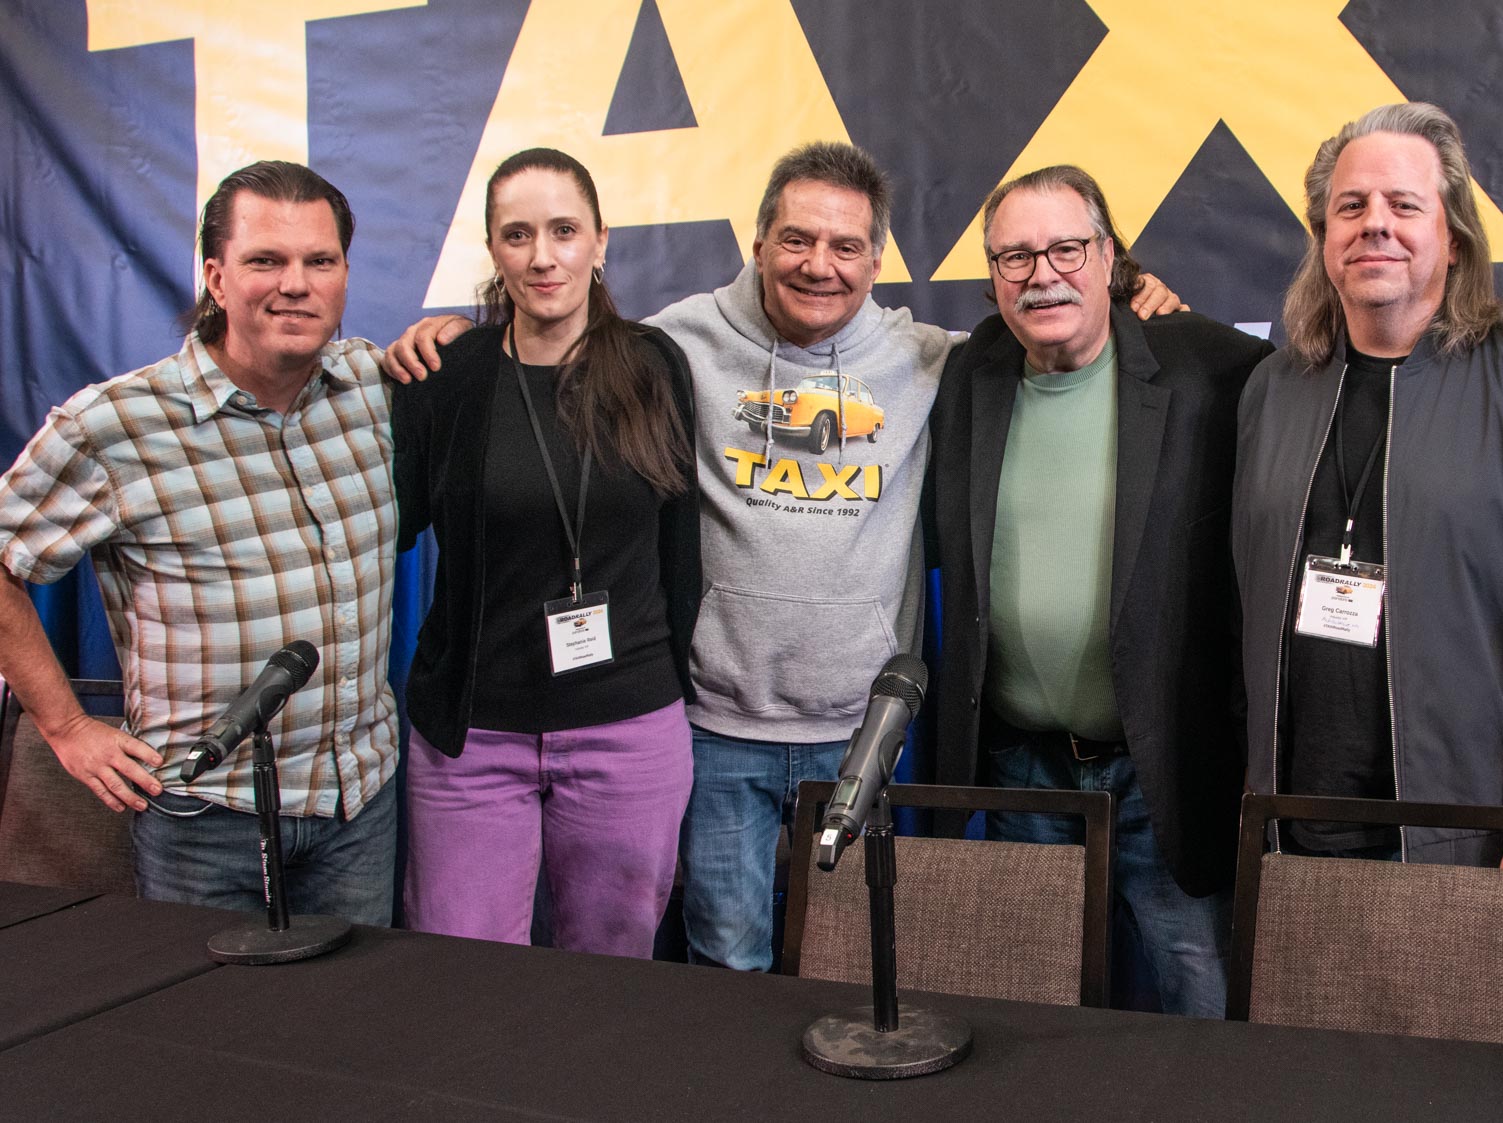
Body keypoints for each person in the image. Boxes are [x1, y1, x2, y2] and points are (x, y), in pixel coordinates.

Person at [384, 142, 1182, 971]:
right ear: (758, 244)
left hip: (860, 734)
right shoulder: (671, 346)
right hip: (719, 731)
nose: (819, 265)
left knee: (847, 971)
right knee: (728, 964)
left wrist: (1135, 296)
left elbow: (1052, 317)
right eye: (797, 239)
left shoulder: (933, 358)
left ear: (877, 260)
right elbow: (552, 341)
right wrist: (455, 338)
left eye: (846, 247)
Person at [1233, 102, 1503, 867]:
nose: (1373, 224)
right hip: (1291, 825)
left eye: (1404, 205)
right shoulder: (1272, 391)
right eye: (1350, 207)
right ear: (1323, 240)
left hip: (1470, 828)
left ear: (1453, 238)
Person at [0, 161, 399, 923]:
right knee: (207, 1034)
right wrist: (65, 725)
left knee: (356, 1031)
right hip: (206, 821)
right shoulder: (113, 425)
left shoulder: (372, 389)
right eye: (265, 261)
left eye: (320, 261)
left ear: (346, 273)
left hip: (361, 808)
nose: (296, 283)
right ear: (216, 278)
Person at [927, 165, 1271, 1017]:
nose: (1042, 274)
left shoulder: (1207, 366)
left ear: (1110, 255)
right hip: (1023, 777)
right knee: (1027, 1013)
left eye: (1066, 249)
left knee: (1204, 1003)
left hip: (1161, 775)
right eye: (1014, 257)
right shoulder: (971, 373)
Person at [391, 148, 700, 957]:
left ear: (600, 241)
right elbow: (385, 527)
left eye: (564, 230)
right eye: (517, 234)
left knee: (610, 975)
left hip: (627, 726)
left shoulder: (654, 367)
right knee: (457, 971)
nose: (542, 255)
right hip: (474, 736)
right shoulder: (447, 374)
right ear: (493, 250)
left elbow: (682, 549)